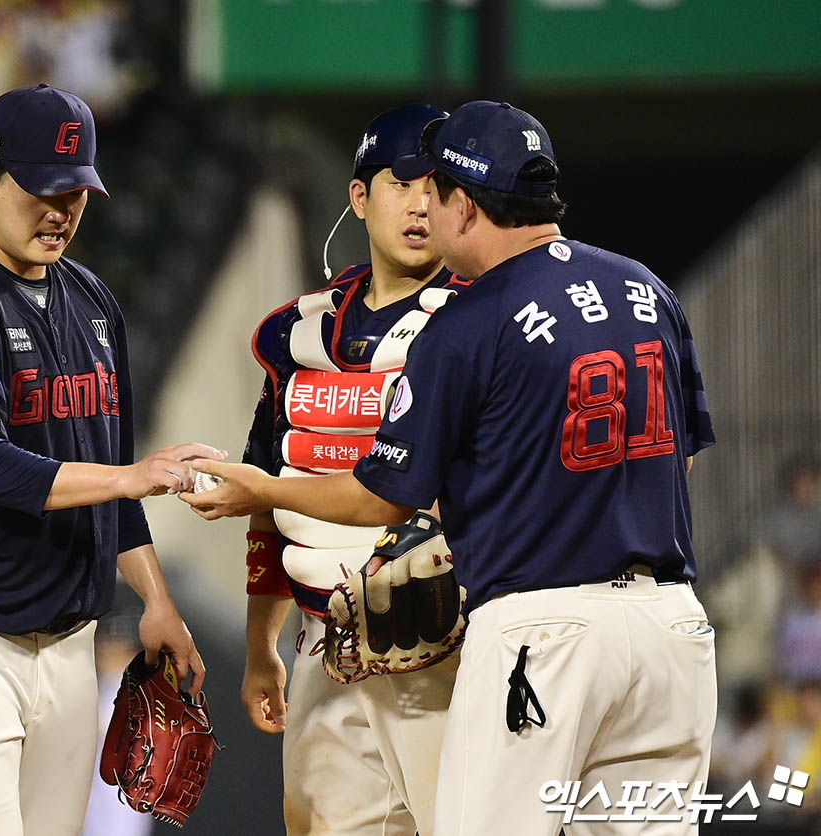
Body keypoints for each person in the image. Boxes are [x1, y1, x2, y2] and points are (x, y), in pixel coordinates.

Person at [184, 100, 716, 835]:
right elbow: (678, 455)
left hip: (537, 626)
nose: (421, 211)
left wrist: (265, 491)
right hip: (670, 627)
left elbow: (383, 496)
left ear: (463, 203)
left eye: (432, 192)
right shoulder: (644, 287)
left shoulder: (470, 320)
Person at [0, 84, 219, 836]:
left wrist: (155, 600)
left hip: (65, 641)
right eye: (42, 189)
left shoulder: (91, 303)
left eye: (76, 192)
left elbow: (106, 471)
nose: (60, 209)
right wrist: (129, 477)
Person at [241, 104, 464, 836]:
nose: (422, 203)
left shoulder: (487, 319)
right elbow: (265, 489)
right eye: (402, 183)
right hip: (322, 643)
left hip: (454, 651)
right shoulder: (298, 331)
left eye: (439, 185)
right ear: (360, 197)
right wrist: (259, 648)